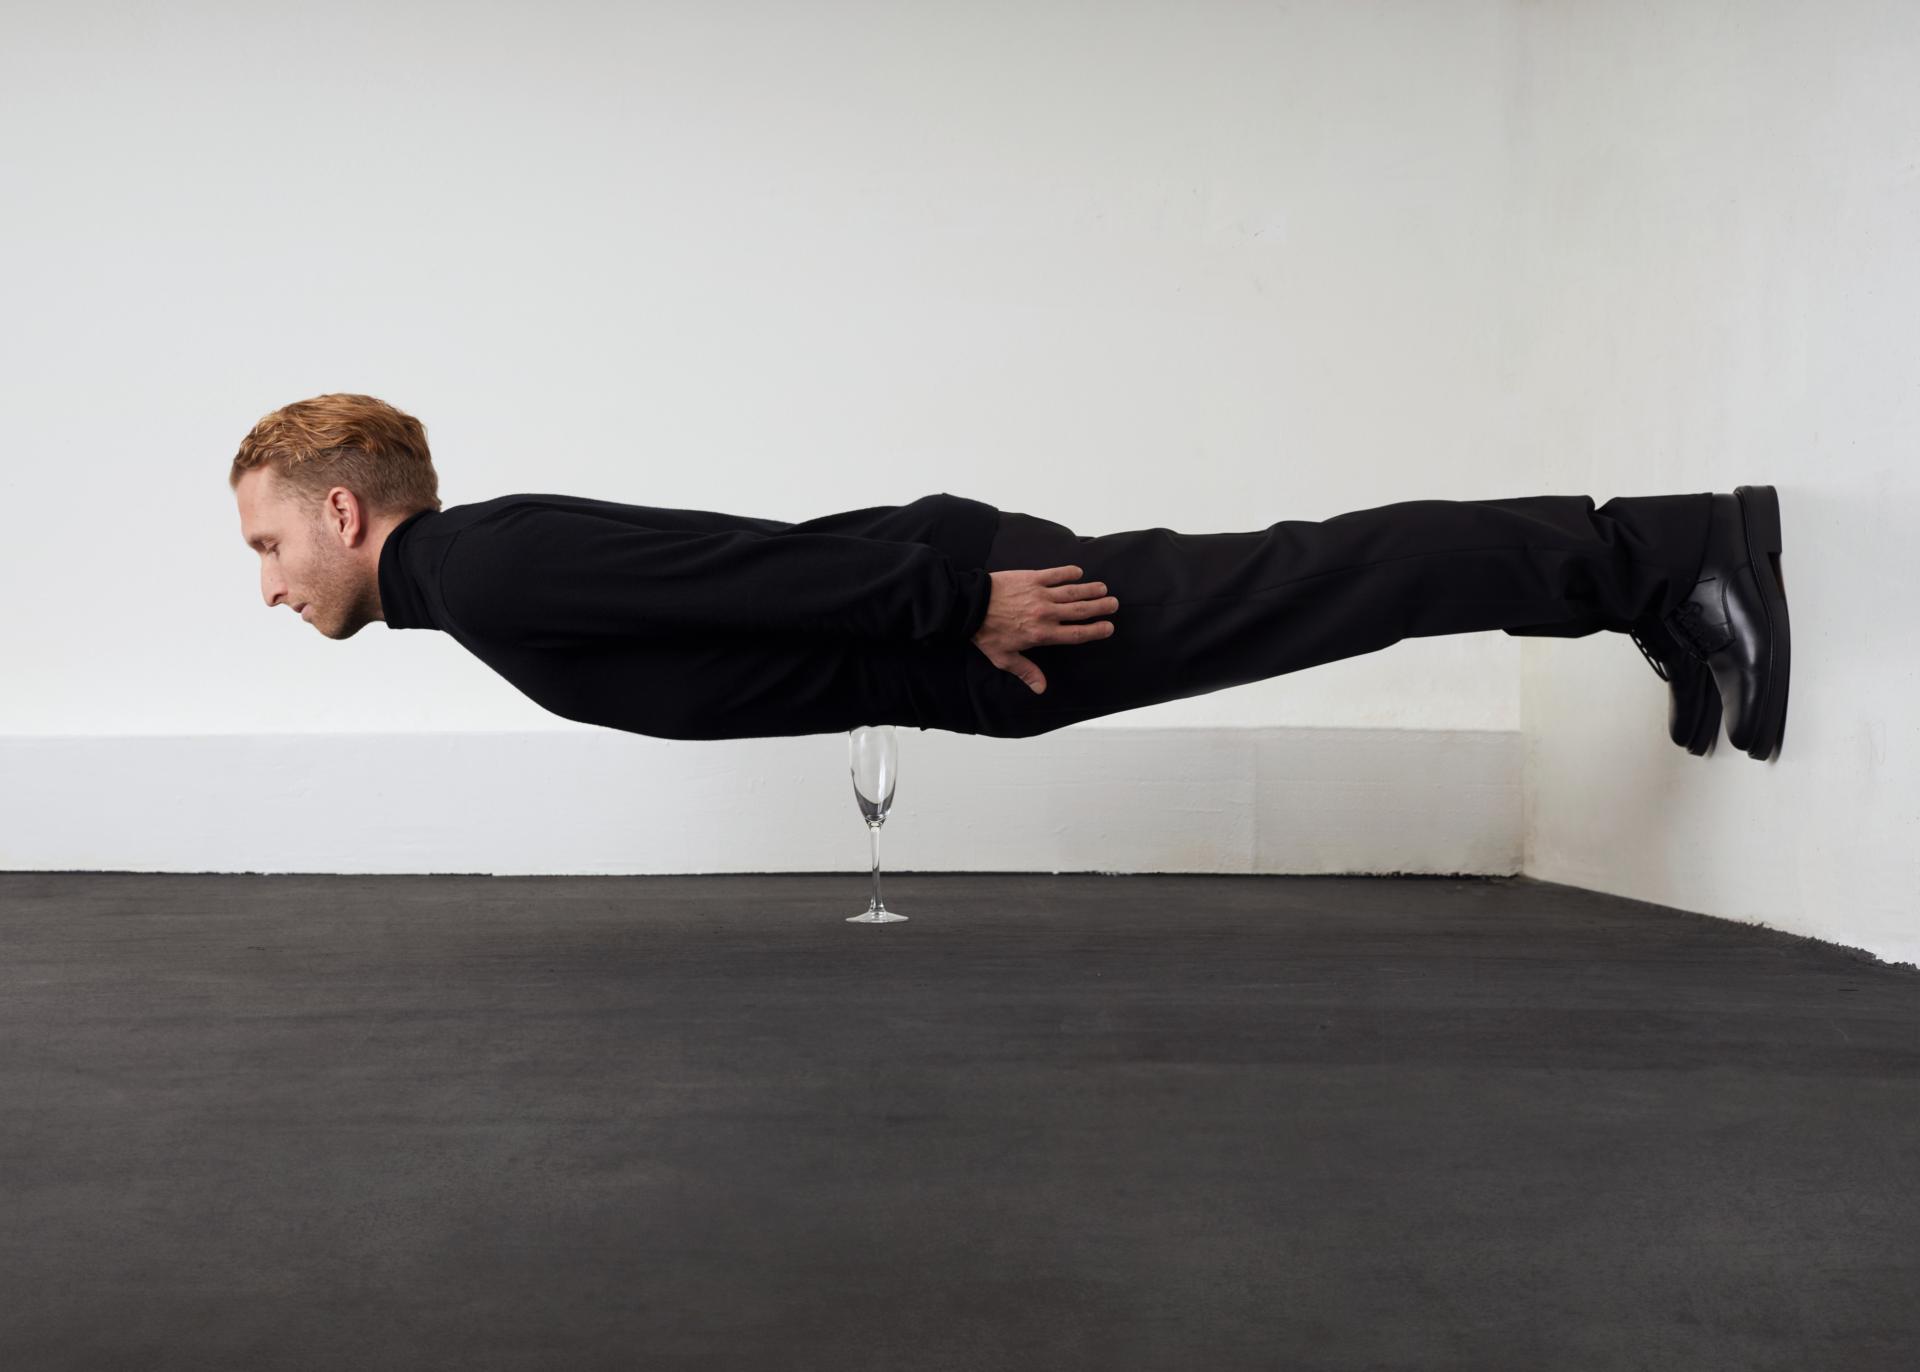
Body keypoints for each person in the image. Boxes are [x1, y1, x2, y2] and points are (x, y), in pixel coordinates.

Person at [232, 394, 1790, 761]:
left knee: (1322, 581)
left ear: (344, 513)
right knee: (1318, 588)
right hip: (954, 629)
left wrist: (959, 607)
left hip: (981, 617)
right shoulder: (479, 579)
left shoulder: (486, 564)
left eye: (270, 545)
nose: (270, 584)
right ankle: (1643, 580)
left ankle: (1665, 552)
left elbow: (740, 572)